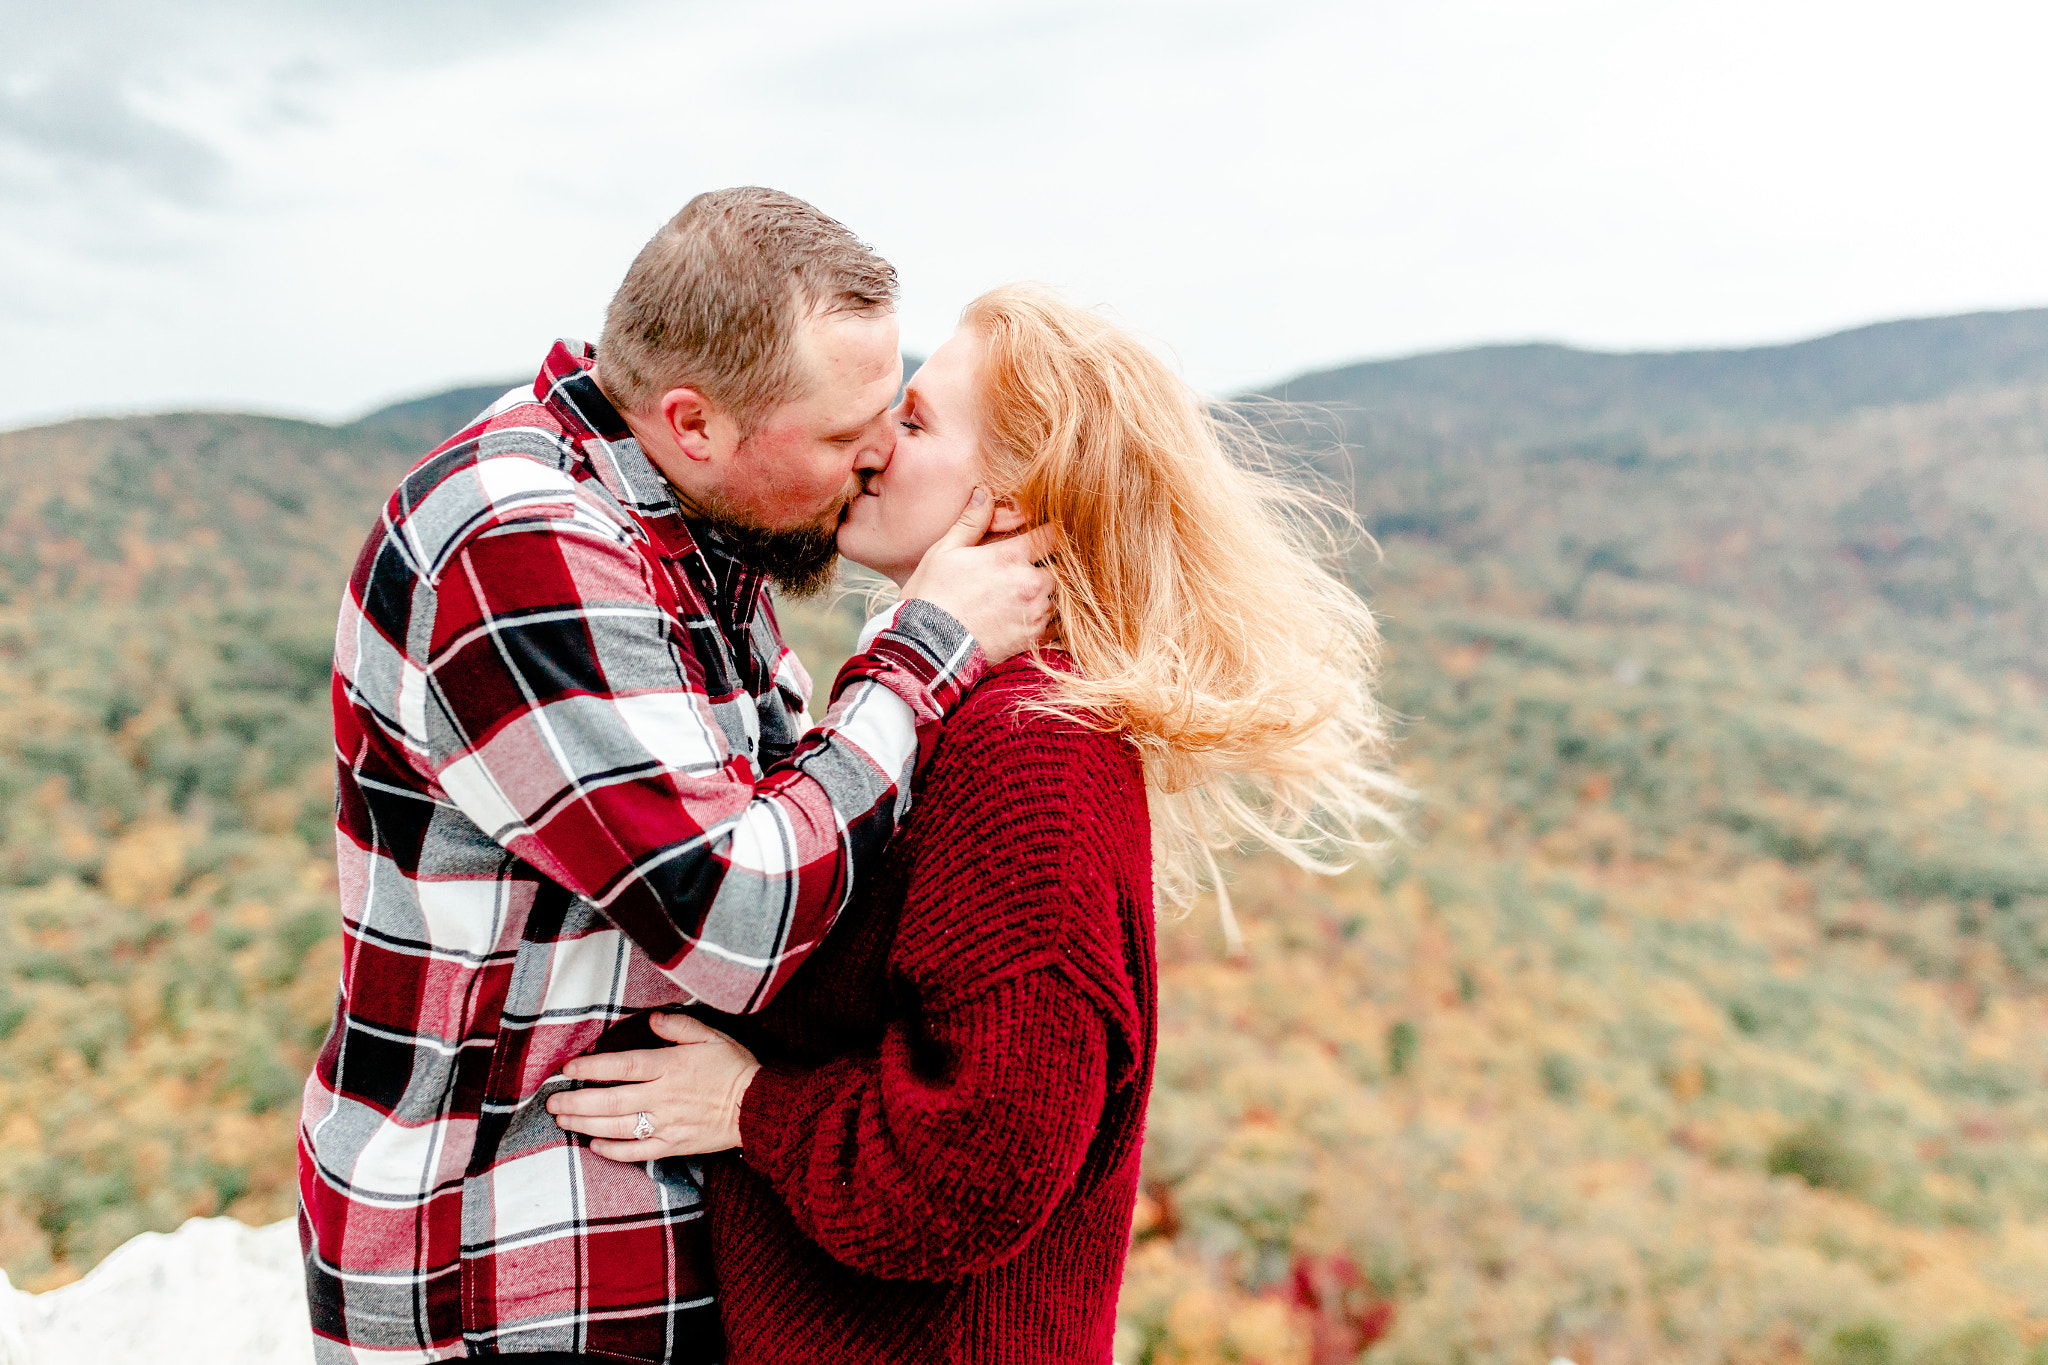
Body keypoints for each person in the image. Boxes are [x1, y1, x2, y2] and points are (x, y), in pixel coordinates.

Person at [549, 284, 1405, 1362]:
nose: (870, 444)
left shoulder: (1028, 751)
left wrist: (748, 1107)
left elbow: (969, 1175)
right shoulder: (951, 715)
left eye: (910, 424)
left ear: (1009, 497)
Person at [296, 190, 1055, 1365]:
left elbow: (801, 822)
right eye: (850, 427)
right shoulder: (518, 542)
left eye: (898, 412)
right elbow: (736, 923)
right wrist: (926, 645)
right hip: (500, 1264)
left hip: (631, 1237)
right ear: (694, 421)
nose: (873, 455)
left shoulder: (699, 522)